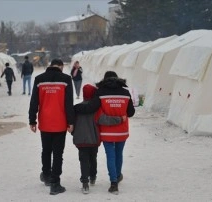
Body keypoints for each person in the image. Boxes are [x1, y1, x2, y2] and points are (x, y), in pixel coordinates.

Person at [74, 71, 135, 195]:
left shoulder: (101, 92)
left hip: (107, 132)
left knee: (110, 156)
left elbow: (91, 108)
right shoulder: (125, 93)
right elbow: (131, 113)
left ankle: (113, 183)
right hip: (122, 131)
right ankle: (117, 176)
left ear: (105, 80)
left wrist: (75, 108)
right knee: (119, 154)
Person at [29, 58, 75, 195]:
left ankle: (46, 175)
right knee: (58, 154)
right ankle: (55, 183)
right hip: (60, 123)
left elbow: (34, 101)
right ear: (61, 67)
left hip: (45, 122)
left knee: (46, 150)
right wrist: (70, 122)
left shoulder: (39, 79)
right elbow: (69, 103)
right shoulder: (66, 79)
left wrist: (32, 120)